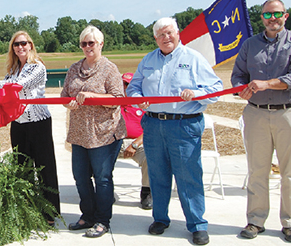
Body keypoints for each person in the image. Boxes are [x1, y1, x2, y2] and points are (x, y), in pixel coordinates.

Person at [126, 17, 222, 245]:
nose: (166, 38)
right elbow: (133, 86)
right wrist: (139, 98)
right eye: (161, 35)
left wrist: (196, 93)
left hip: (183, 124)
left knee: (188, 176)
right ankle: (160, 218)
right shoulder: (148, 60)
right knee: (158, 174)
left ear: (177, 34)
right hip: (153, 124)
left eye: (169, 33)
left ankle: (197, 224)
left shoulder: (193, 58)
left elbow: (216, 89)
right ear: (155, 38)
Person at [231, 0, 291, 243]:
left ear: (285, 16)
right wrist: (239, 89)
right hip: (256, 114)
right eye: (267, 15)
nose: (272, 18)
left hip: (290, 114)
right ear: (262, 18)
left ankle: (290, 223)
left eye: (277, 14)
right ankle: (256, 220)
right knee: (257, 171)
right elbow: (238, 75)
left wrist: (265, 84)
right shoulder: (250, 45)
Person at [0, 31, 60, 225]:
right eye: (16, 44)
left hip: (38, 123)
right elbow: (4, 90)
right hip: (19, 123)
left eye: (24, 43)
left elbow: (16, 86)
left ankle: (50, 212)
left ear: (30, 45)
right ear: (12, 48)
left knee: (45, 167)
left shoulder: (37, 67)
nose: (20, 47)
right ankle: (27, 209)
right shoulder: (12, 69)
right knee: (23, 168)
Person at [61, 25, 126, 238]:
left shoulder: (109, 69)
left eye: (92, 43)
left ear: (101, 44)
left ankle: (102, 220)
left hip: (104, 133)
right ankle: (87, 215)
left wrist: (91, 96)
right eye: (84, 43)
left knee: (103, 178)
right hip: (80, 133)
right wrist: (68, 103)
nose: (88, 47)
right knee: (80, 176)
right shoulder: (73, 69)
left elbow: (118, 99)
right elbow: (64, 96)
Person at [120, 72, 151, 210]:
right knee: (97, 156)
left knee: (150, 157)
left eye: (129, 84)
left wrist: (135, 144)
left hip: (137, 143)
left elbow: (149, 129)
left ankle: (146, 192)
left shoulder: (142, 104)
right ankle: (105, 191)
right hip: (116, 141)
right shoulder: (112, 102)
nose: (125, 87)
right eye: (124, 84)